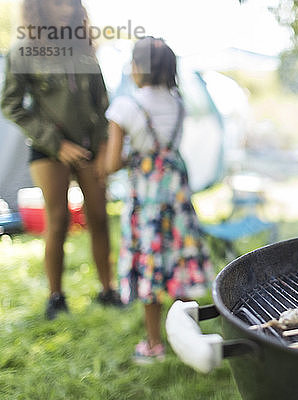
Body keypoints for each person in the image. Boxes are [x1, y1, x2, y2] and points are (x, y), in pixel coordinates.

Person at [1, 0, 122, 320]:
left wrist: (102, 148)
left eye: (72, 2)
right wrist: (57, 144)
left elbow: (102, 103)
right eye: (58, 2)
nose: (67, 7)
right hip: (48, 148)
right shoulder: (23, 50)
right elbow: (11, 105)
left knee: (98, 215)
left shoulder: (83, 47)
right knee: (58, 221)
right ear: (39, 7)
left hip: (89, 148)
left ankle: (108, 290)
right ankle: (56, 297)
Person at [104, 37, 214, 363]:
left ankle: (153, 345)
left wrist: (130, 156)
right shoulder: (179, 103)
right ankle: (184, 338)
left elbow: (111, 164)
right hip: (177, 199)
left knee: (150, 266)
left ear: (137, 68)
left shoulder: (125, 107)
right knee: (178, 264)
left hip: (147, 204)